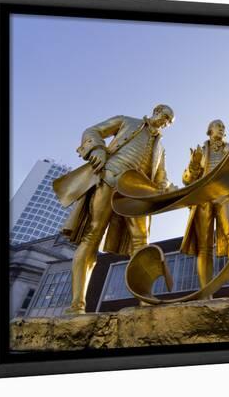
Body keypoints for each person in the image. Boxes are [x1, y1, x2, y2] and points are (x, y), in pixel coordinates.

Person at [53, 104, 175, 314]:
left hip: (137, 194)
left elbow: (161, 177)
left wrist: (166, 188)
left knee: (141, 241)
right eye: (164, 116)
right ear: (156, 111)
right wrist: (98, 149)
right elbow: (92, 131)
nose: (165, 122)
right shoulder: (127, 121)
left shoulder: (161, 149)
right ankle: (77, 304)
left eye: (168, 122)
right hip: (110, 178)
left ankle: (144, 300)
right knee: (93, 235)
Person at [179, 119, 229, 296]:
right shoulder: (200, 151)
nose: (222, 129)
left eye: (224, 127)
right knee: (204, 247)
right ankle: (206, 296)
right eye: (219, 126)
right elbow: (187, 180)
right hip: (203, 197)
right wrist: (193, 164)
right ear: (209, 130)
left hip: (225, 194)